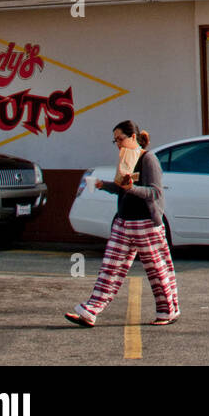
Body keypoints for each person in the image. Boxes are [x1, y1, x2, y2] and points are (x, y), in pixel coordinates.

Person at [66, 122, 179, 326]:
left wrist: (132, 188)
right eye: (115, 140)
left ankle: (167, 311)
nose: (117, 144)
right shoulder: (125, 158)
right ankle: (89, 312)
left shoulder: (148, 159)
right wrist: (103, 185)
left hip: (146, 223)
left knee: (156, 268)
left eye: (120, 139)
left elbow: (154, 192)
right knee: (110, 267)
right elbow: (122, 189)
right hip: (123, 222)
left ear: (133, 137)